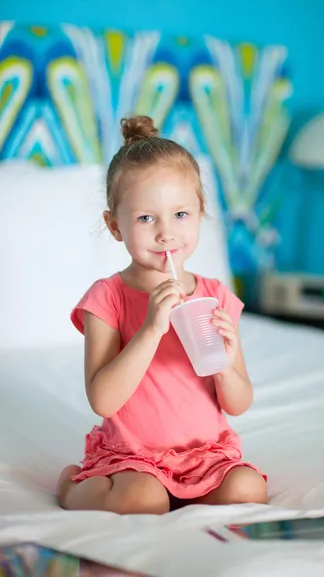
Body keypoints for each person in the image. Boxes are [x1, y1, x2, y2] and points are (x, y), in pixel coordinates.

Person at [56, 116, 267, 514]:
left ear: (201, 212)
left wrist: (224, 364)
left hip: (205, 455)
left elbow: (238, 403)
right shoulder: (109, 297)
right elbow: (102, 399)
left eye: (181, 215)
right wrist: (152, 327)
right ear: (115, 225)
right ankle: (72, 489)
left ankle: (189, 491)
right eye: (146, 218)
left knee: (248, 490)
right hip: (135, 456)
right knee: (144, 499)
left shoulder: (216, 295)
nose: (166, 233)